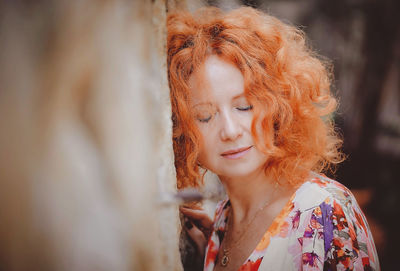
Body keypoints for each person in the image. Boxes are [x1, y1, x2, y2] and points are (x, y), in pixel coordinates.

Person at [167, 6, 380, 271]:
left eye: (244, 107)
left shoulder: (325, 212)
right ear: (182, 132)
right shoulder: (221, 224)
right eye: (204, 116)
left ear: (277, 107)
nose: (231, 131)